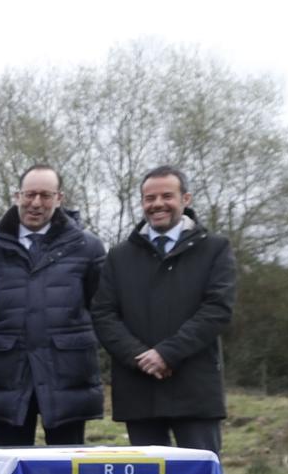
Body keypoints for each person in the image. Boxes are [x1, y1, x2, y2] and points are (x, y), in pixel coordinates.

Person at [91, 165, 237, 455]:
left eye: (166, 196)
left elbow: (217, 310)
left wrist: (167, 354)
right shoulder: (119, 256)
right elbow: (103, 314)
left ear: (186, 199)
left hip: (194, 390)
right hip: (138, 390)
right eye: (149, 198)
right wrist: (140, 358)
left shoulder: (215, 249)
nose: (157, 204)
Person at [0, 164, 106, 446]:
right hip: (5, 373)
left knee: (67, 470)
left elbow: (100, 308)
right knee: (10, 467)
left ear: (59, 198)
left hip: (69, 374)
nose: (36, 203)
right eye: (29, 194)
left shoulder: (89, 248)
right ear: (17, 196)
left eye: (45, 195)